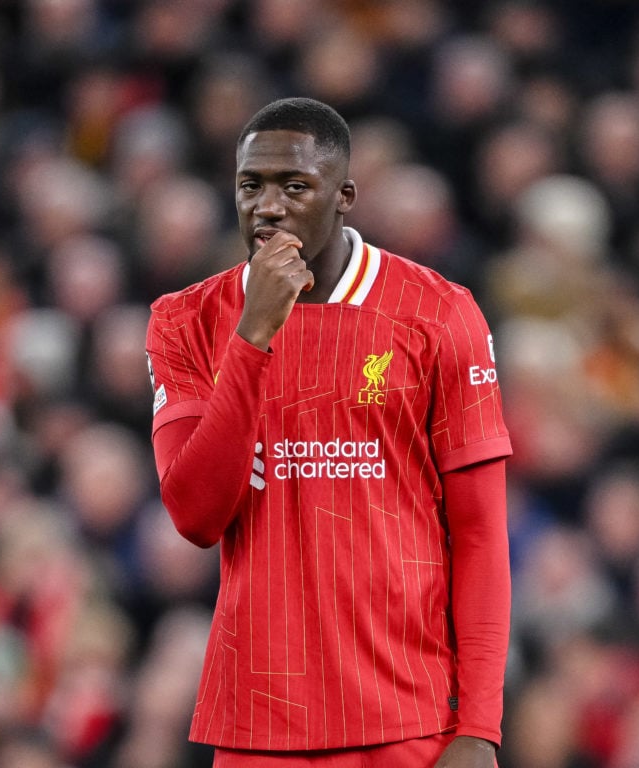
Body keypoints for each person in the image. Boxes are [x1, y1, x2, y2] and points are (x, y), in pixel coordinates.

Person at [145, 97, 512, 768]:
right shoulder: (187, 320)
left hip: (409, 720)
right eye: (251, 185)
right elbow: (196, 515)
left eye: (295, 186)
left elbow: (482, 531)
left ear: (344, 195)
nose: (269, 206)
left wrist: (480, 725)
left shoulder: (439, 312)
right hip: (260, 728)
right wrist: (252, 338)